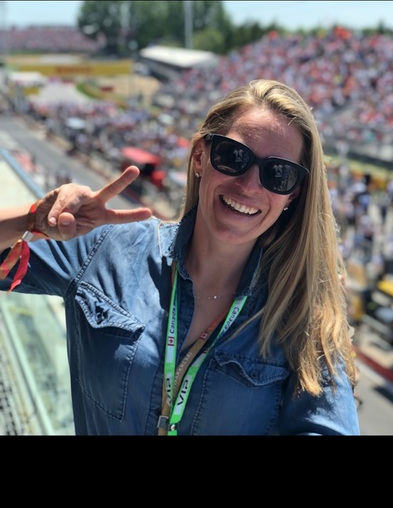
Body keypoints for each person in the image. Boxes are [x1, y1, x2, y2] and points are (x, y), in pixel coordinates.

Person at [0, 79, 360, 436]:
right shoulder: (104, 248)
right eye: (234, 156)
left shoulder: (306, 314)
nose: (249, 185)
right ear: (200, 156)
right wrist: (32, 218)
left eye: (278, 174)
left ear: (293, 194)